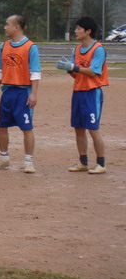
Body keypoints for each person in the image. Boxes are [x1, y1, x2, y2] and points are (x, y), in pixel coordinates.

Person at [0, 15, 40, 173]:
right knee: (1, 126)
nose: (5, 27)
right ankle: (4, 158)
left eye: (7, 24)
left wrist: (33, 94)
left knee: (26, 127)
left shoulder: (30, 47)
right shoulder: (3, 46)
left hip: (23, 93)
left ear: (17, 27)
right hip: (7, 92)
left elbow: (35, 72)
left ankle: (28, 161)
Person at [56, 16, 108, 174]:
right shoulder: (77, 50)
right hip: (78, 92)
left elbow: (93, 72)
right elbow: (76, 75)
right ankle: (83, 162)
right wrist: (68, 69)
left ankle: (101, 163)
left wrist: (74, 67)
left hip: (92, 93)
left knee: (93, 128)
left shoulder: (98, 49)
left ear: (88, 31)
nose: (75, 31)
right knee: (78, 128)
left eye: (79, 28)